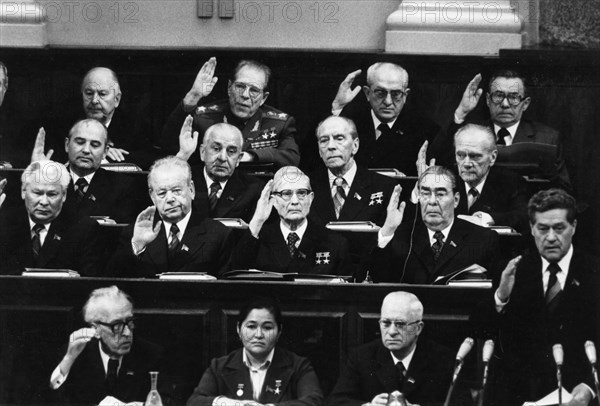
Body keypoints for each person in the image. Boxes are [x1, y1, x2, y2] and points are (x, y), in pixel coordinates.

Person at [472, 188, 600, 406]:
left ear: (574, 227)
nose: (551, 237)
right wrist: (501, 297)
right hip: (519, 395)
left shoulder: (594, 272)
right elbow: (481, 329)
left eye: (559, 228)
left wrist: (589, 387)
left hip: (577, 394)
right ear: (531, 229)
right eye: (543, 229)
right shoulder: (513, 269)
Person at [328, 291, 468, 406]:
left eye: (400, 324)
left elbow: (464, 403)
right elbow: (335, 401)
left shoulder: (444, 358)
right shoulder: (362, 356)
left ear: (418, 328)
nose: (392, 331)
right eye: (386, 323)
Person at [371, 166, 502, 283]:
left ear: (456, 200)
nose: (432, 201)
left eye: (440, 194)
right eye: (425, 193)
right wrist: (387, 230)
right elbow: (370, 278)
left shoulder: (483, 239)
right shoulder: (400, 236)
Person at [161, 57, 299, 167]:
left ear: (263, 98)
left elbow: (291, 157)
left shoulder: (280, 123)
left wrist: (249, 156)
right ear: (229, 88)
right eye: (240, 86)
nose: (245, 95)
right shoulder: (205, 117)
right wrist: (194, 95)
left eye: (254, 90)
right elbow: (169, 142)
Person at [108, 156, 232, 278]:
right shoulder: (134, 233)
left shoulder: (218, 234)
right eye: (162, 193)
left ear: (191, 190)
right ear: (152, 197)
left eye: (177, 190)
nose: (170, 199)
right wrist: (138, 246)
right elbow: (114, 281)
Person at [187, 297, 324, 406]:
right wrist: (234, 404)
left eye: (267, 328)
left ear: (279, 331)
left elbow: (314, 401)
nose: (258, 334)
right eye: (251, 326)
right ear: (238, 329)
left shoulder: (299, 366)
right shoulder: (219, 367)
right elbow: (195, 402)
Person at [449, 70, 571, 190]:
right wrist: (461, 112)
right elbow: (441, 160)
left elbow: (563, 190)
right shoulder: (471, 134)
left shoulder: (547, 139)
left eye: (514, 97)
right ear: (487, 100)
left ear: (526, 103)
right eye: (498, 96)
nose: (505, 104)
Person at [47, 286, 164, 405]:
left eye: (130, 321)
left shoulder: (151, 354)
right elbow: (52, 400)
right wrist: (68, 359)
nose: (127, 333)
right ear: (96, 330)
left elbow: (168, 401)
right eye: (117, 325)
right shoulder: (76, 354)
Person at [309, 115, 396, 268]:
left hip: (365, 273)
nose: (331, 146)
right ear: (318, 150)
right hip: (317, 274)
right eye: (324, 140)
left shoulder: (384, 187)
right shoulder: (307, 187)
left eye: (339, 138)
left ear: (355, 145)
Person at [232, 166, 351, 276]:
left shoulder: (334, 243)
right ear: (274, 201)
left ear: (311, 198)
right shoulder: (258, 238)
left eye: (301, 193)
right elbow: (235, 273)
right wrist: (257, 220)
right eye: (286, 194)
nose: (295, 201)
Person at [329, 63, 443, 175]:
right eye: (380, 93)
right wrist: (337, 107)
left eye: (396, 93)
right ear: (367, 93)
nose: (388, 101)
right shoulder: (350, 124)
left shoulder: (427, 131)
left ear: (405, 96)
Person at [0, 160, 101, 275]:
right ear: (23, 192)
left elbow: (89, 282)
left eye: (52, 194)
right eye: (37, 193)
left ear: (64, 195)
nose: (44, 202)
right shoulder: (4, 223)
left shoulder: (84, 229)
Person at [31, 119, 140, 224]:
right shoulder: (50, 179)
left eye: (95, 145)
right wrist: (36, 175)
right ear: (67, 145)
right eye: (80, 142)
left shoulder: (123, 186)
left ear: (105, 152)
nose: (86, 150)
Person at [177, 117, 264, 222]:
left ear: (238, 159)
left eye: (231, 151)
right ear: (202, 152)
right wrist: (183, 155)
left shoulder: (254, 189)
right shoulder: (184, 179)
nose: (222, 158)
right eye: (216, 149)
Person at [453, 123, 529, 233]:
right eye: (460, 155)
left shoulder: (512, 182)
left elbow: (523, 217)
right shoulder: (446, 179)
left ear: (492, 157)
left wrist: (486, 219)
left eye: (475, 156)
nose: (467, 163)